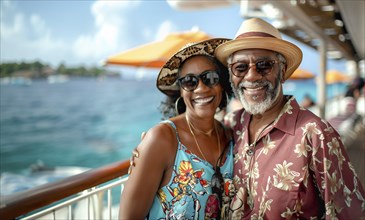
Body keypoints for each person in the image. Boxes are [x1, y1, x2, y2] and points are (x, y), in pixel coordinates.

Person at [214, 17, 365, 219]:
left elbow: (349, 213)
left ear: (283, 71)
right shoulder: (230, 125)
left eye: (264, 65)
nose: (251, 76)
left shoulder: (315, 134)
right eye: (240, 67)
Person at [119, 38, 236, 219]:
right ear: (181, 90)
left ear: (222, 84)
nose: (201, 88)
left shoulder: (229, 135)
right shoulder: (162, 138)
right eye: (190, 82)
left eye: (210, 78)